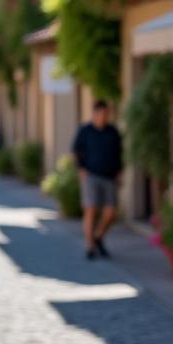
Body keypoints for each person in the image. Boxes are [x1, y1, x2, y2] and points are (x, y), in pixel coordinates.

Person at [73, 99, 124, 260]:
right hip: (91, 175)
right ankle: (90, 246)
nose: (103, 117)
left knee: (111, 212)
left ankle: (98, 236)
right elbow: (76, 150)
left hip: (109, 176)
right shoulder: (85, 131)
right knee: (91, 209)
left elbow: (119, 153)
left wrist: (119, 172)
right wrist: (81, 169)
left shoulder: (113, 132)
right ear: (94, 114)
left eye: (106, 114)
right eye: (101, 114)